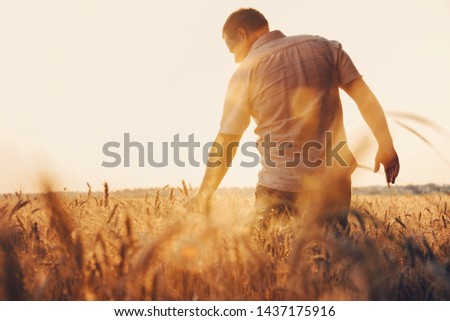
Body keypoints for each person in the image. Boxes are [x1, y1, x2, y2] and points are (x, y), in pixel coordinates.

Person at [191, 8, 399, 231]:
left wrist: (204, 193)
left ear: (242, 34)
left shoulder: (244, 73)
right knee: (331, 255)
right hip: (333, 183)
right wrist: (386, 145)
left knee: (273, 259)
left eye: (232, 51)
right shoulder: (325, 47)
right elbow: (364, 98)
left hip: (279, 186)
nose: (235, 59)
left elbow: (228, 140)